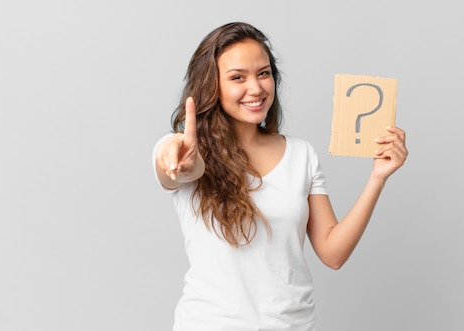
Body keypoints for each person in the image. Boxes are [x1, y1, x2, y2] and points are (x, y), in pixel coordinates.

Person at [153, 22, 407, 331]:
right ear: (212, 86)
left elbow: (333, 253)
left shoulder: (301, 155)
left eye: (263, 73)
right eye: (237, 78)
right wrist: (180, 161)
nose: (256, 88)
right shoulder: (182, 151)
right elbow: (178, 169)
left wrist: (377, 177)